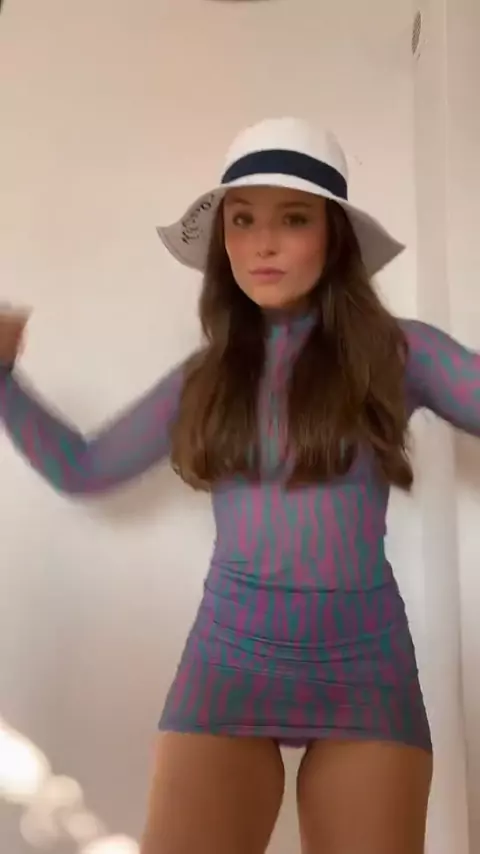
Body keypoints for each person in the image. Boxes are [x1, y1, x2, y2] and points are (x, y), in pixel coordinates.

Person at [1, 116, 479, 854]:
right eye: (242, 220)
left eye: (294, 219)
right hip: (228, 664)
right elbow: (84, 468)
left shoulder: (399, 351)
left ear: (334, 237)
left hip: (365, 670)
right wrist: (3, 380)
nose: (263, 243)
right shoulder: (209, 375)